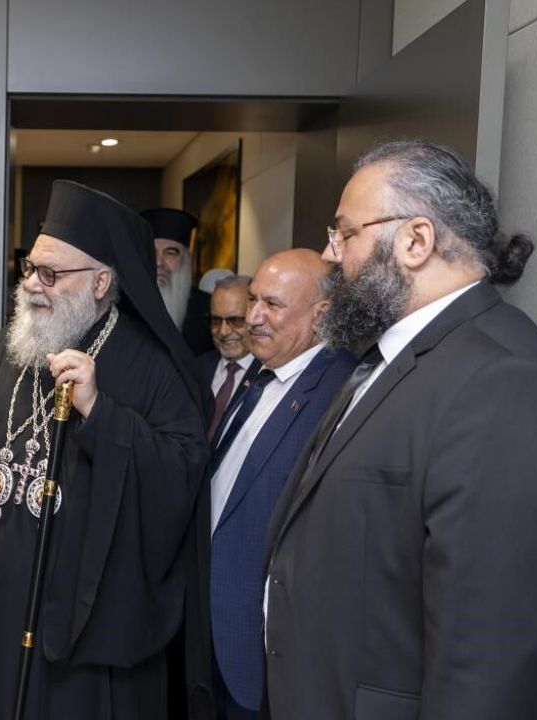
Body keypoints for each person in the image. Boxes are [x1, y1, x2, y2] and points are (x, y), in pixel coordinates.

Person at [262, 140, 537, 719]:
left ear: (416, 240)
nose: (330, 254)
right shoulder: (397, 357)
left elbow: (492, 669)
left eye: (345, 233)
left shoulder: (504, 386)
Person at [0, 180, 208, 719]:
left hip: (93, 630)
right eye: (30, 269)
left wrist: (101, 413)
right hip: (3, 605)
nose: (32, 285)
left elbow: (181, 477)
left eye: (51, 274)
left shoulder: (153, 368)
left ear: (102, 282)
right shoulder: (1, 354)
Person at [184, 250, 355, 720]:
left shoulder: (340, 392)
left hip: (265, 654)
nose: (253, 318)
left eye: (272, 305)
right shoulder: (259, 375)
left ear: (320, 314)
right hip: (212, 637)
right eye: (253, 300)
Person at [143, 207, 212, 356]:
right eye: (152, 252)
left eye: (170, 253)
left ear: (186, 260)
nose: (159, 262)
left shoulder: (208, 310)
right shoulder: (123, 308)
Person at [195, 274, 254, 440]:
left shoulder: (268, 374)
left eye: (235, 321)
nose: (223, 331)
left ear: (255, 316)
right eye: (216, 321)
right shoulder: (196, 369)